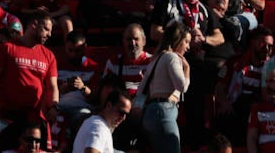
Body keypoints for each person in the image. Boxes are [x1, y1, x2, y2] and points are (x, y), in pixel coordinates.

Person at [0, 8, 59, 143]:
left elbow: (52, 86)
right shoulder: (6, 48)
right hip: (8, 116)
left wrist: (53, 106)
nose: (50, 34)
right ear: (34, 24)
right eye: (46, 29)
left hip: (35, 119)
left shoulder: (49, 55)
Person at [138, 21, 190, 153]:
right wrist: (187, 69)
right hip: (164, 111)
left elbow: (140, 90)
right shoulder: (172, 57)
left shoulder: (155, 59)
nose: (188, 47)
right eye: (186, 42)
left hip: (149, 113)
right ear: (178, 40)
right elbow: (182, 86)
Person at [71, 88, 131, 153]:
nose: (123, 118)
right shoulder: (99, 128)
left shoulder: (93, 120)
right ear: (109, 106)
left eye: (126, 115)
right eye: (121, 112)